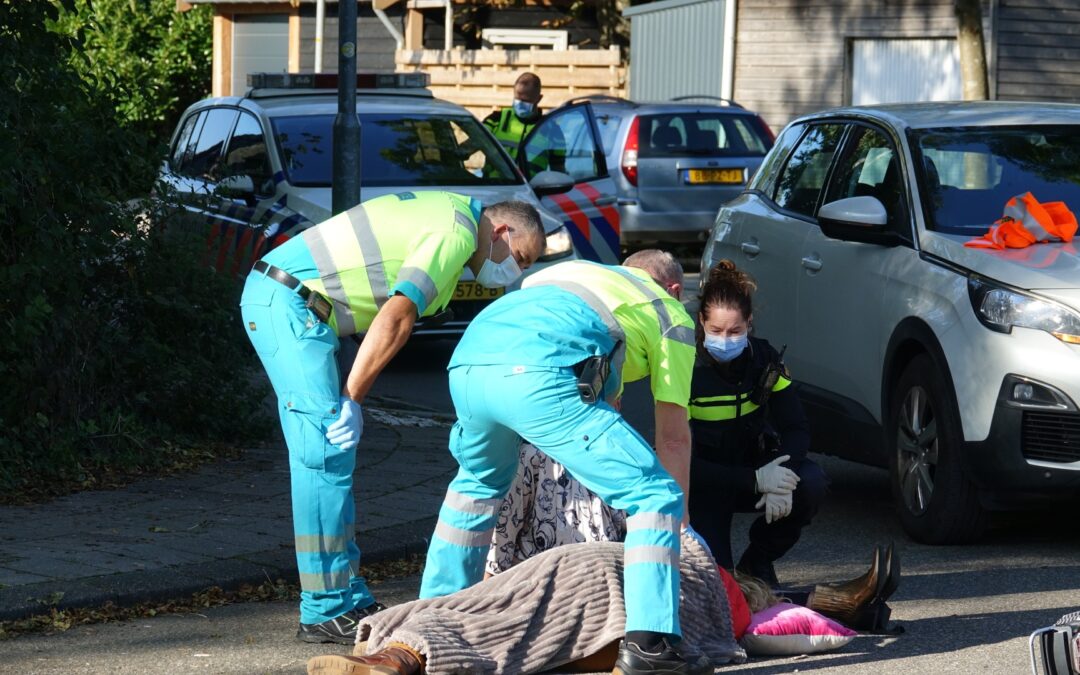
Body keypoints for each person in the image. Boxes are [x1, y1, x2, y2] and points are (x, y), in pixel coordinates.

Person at [240, 191, 545, 644]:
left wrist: (351, 397)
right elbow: (398, 316)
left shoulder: (450, 214)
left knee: (331, 455)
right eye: (518, 257)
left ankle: (345, 593)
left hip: (296, 305)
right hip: (288, 302)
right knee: (323, 454)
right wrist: (352, 399)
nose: (514, 272)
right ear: (500, 231)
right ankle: (325, 608)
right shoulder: (455, 233)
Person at [419, 251, 702, 674]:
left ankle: (431, 618)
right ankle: (651, 646)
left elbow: (602, 398)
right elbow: (674, 438)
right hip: (538, 374)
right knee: (655, 493)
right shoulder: (671, 315)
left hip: (468, 362)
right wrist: (681, 527)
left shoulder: (570, 274)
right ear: (675, 289)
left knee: (476, 488)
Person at [308, 531, 744, 675]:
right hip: (614, 589)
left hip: (595, 566)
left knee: (493, 609)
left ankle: (394, 653)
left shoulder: (710, 575)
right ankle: (399, 657)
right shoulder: (725, 596)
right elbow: (782, 623)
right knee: (515, 628)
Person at [688, 260, 828, 588]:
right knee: (719, 588)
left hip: (757, 470)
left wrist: (782, 476)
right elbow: (680, 458)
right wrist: (754, 480)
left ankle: (758, 561)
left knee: (811, 482)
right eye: (717, 331)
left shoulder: (765, 360)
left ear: (749, 324)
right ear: (701, 322)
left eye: (735, 331)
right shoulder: (685, 367)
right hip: (707, 484)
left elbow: (796, 428)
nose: (726, 339)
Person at [483, 72, 544, 160]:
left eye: (525, 100)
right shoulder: (496, 119)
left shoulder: (549, 129)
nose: (520, 104)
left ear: (539, 99)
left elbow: (558, 170)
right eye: (517, 99)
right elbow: (473, 142)